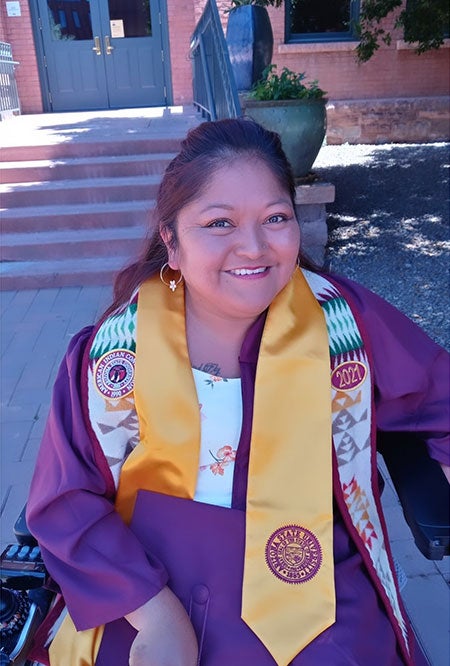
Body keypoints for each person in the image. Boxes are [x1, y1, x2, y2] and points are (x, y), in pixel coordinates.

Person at [26, 118, 449, 666]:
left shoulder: (345, 327)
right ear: (171, 243)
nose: (253, 247)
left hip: (312, 580)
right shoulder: (114, 354)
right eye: (219, 222)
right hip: (147, 579)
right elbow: (64, 500)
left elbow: (436, 396)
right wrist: (155, 614)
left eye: (276, 218)